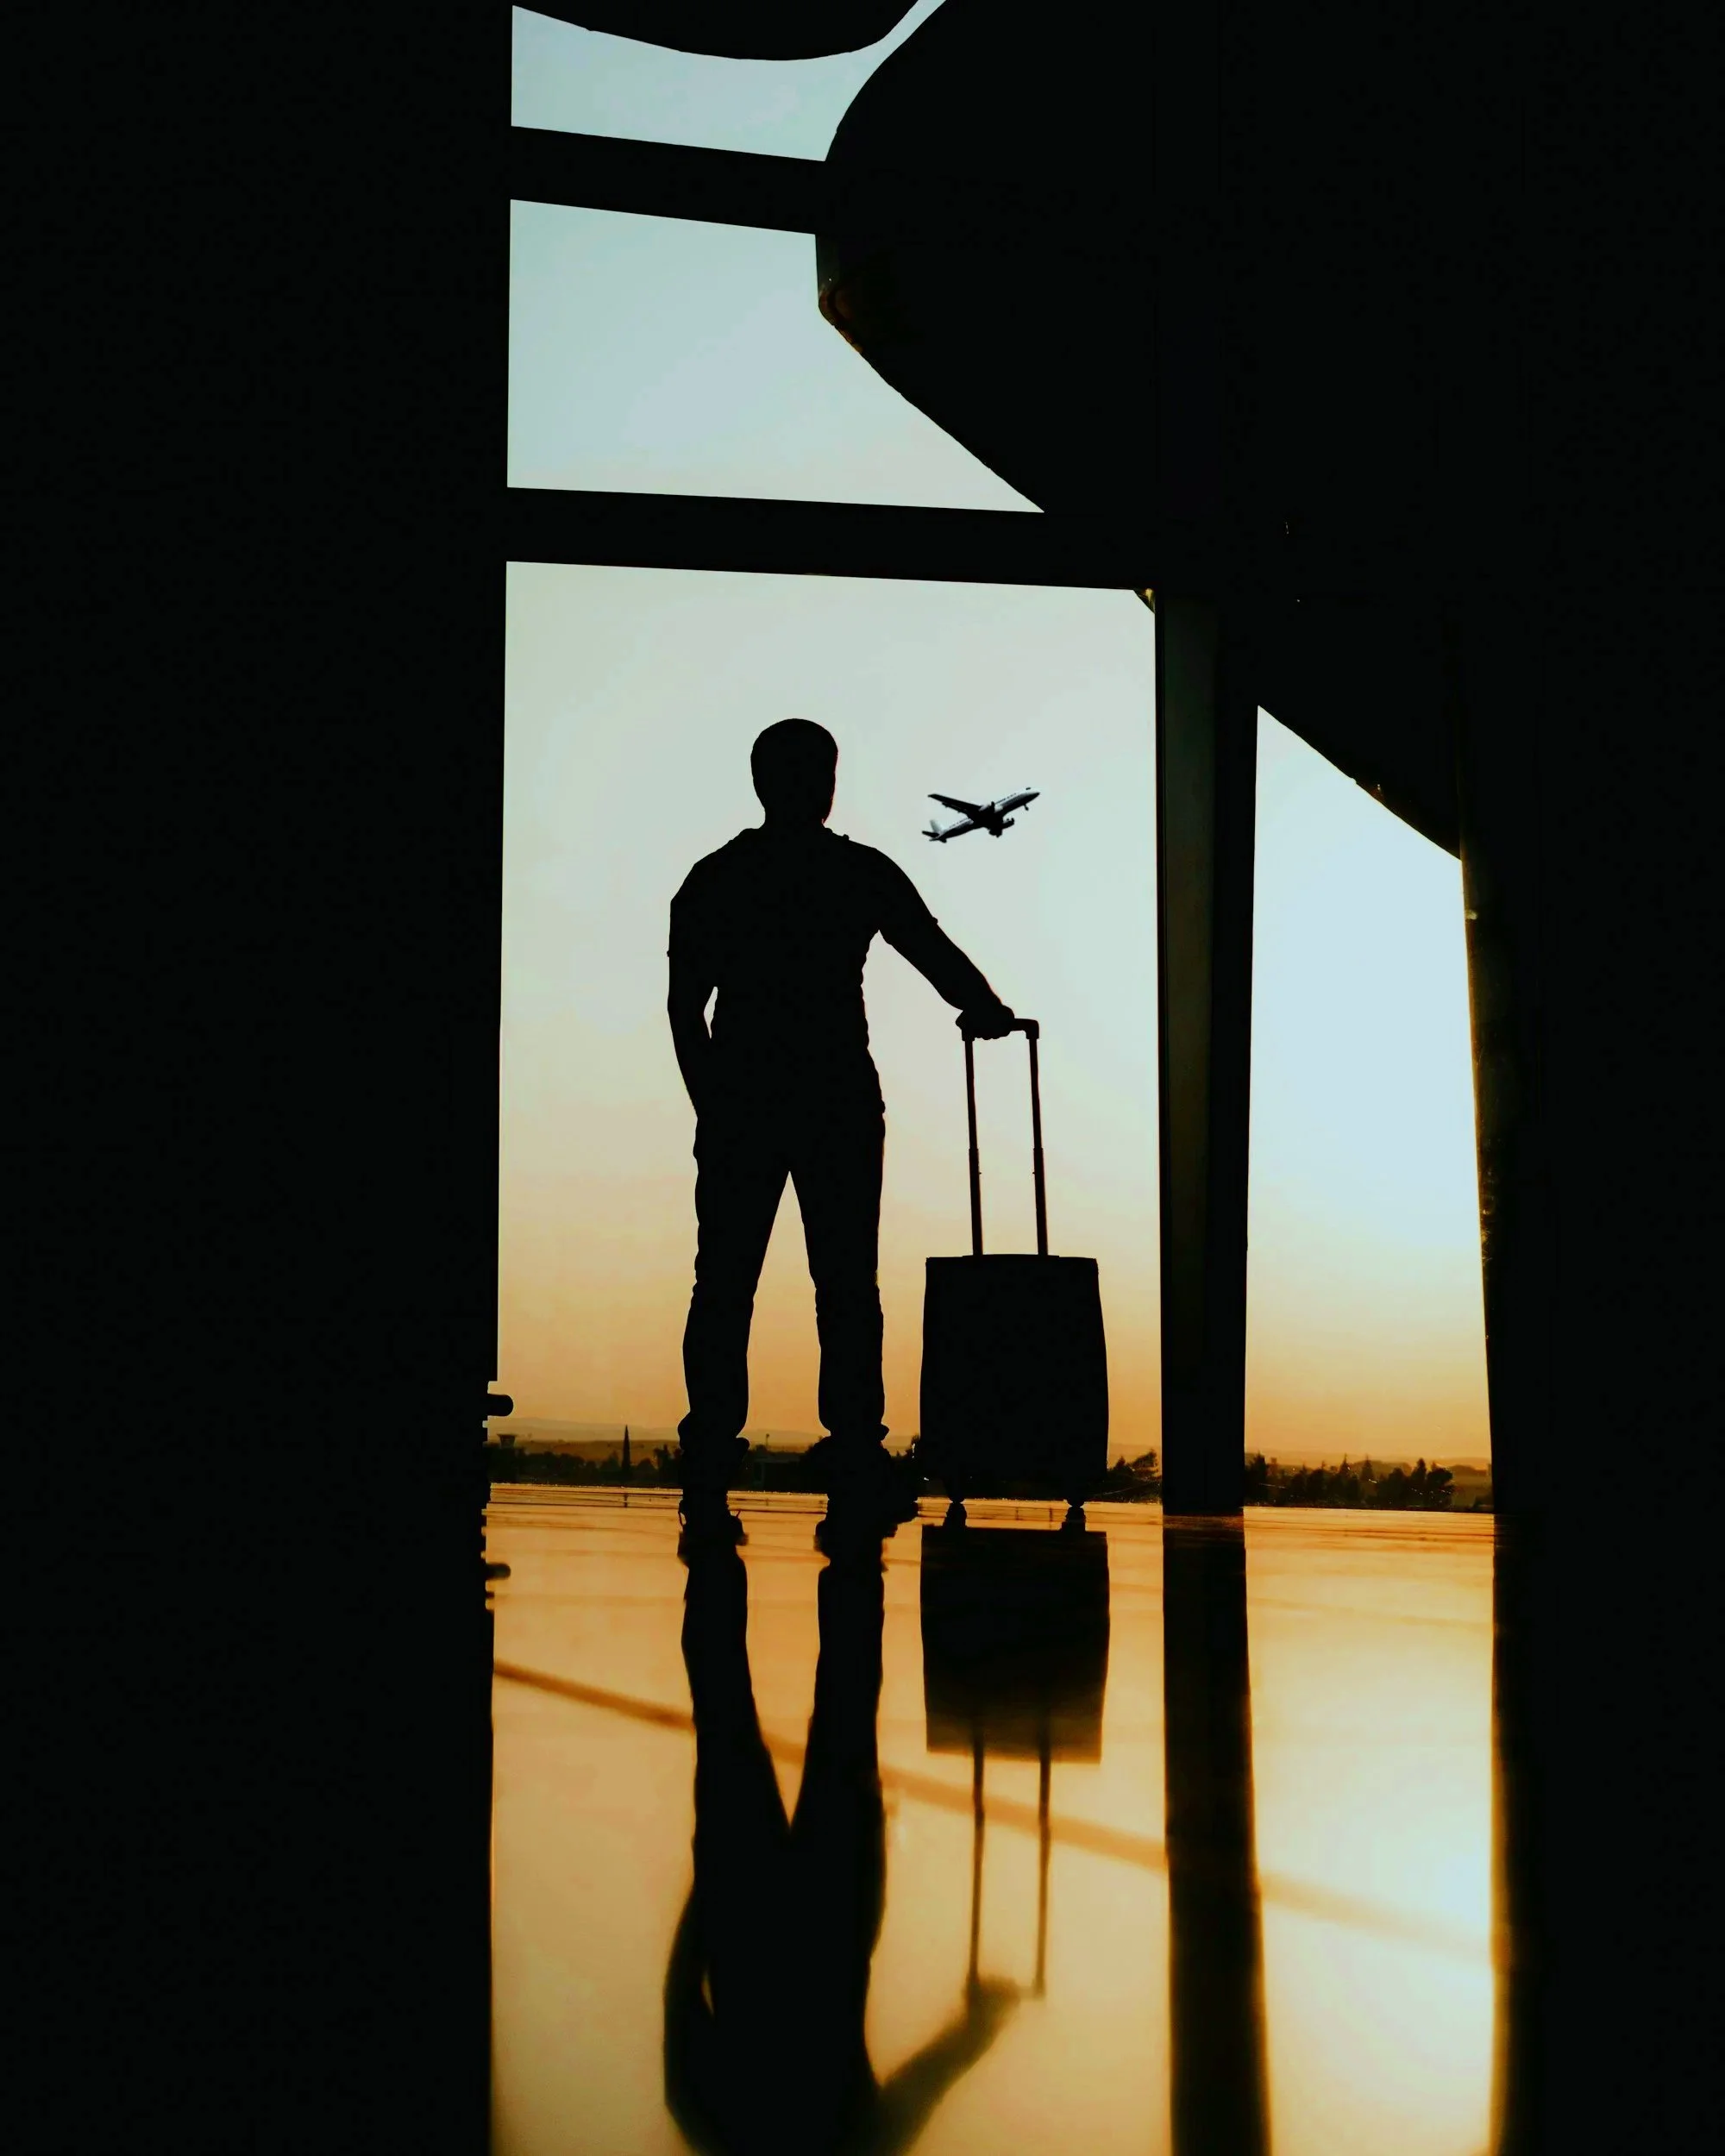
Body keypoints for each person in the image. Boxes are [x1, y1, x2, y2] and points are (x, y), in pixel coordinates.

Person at [668, 718, 1014, 1543]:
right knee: (847, 1288)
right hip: (836, 1100)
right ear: (825, 783)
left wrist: (710, 1104)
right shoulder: (856, 872)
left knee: (724, 1286)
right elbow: (927, 948)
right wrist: (986, 1006)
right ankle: (855, 1449)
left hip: (744, 1100)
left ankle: (710, 1451)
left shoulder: (716, 878)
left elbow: (687, 1008)